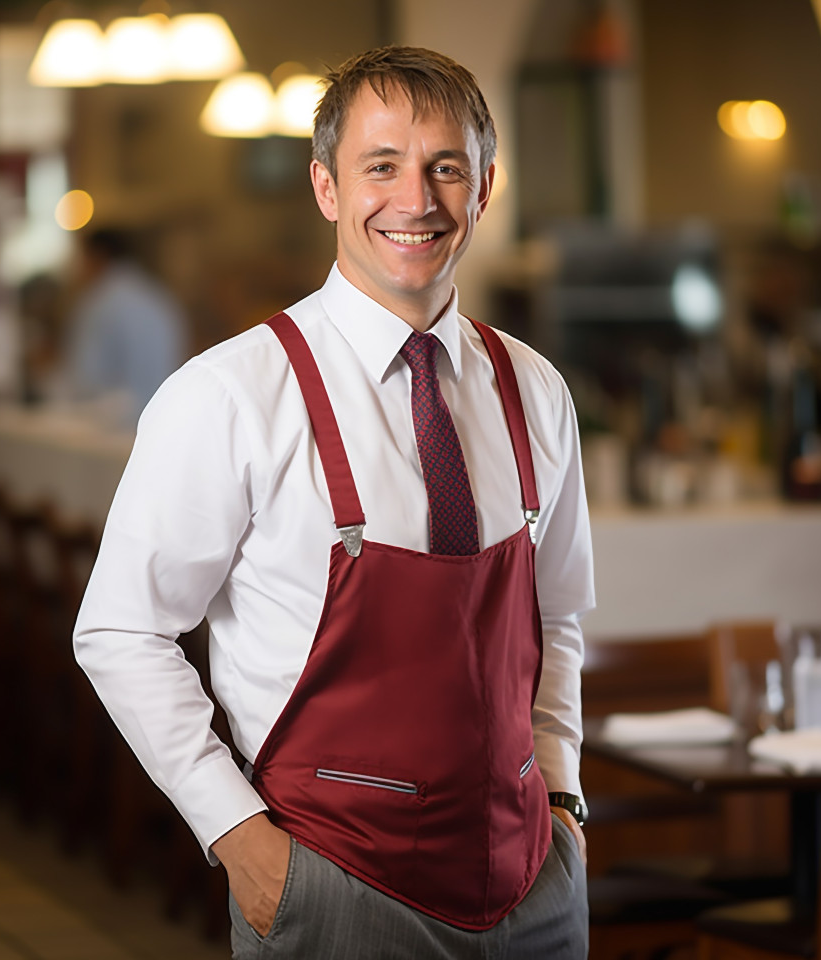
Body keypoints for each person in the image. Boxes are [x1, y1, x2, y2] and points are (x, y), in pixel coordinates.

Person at [74, 45, 594, 959]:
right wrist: (240, 838)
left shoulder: (536, 389)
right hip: (332, 888)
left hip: (533, 893)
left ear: (485, 187)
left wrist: (561, 798)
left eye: (446, 168)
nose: (416, 199)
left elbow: (554, 622)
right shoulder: (230, 394)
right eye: (381, 166)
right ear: (325, 186)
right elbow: (120, 631)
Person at [67, 228, 184, 428]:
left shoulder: (100, 301)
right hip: (164, 422)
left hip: (113, 431)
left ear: (97, 256)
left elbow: (86, 379)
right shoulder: (159, 296)